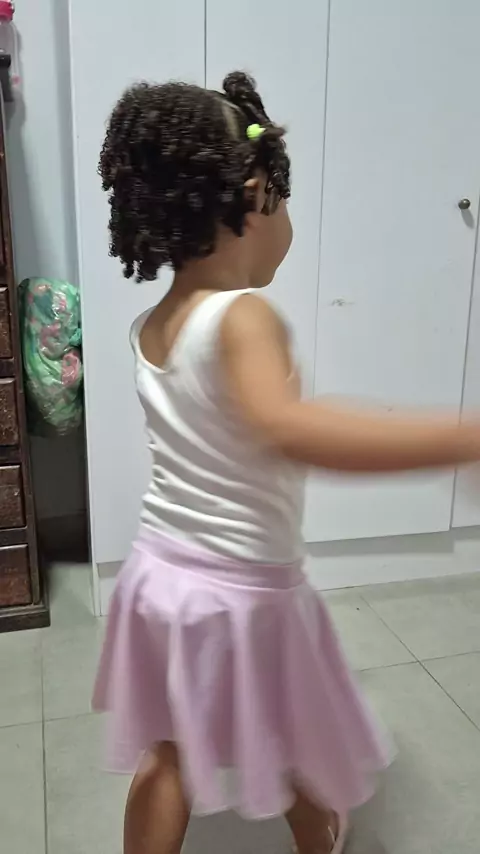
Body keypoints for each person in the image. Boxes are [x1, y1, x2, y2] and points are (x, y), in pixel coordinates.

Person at [93, 72, 480, 854]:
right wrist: (459, 438)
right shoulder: (243, 317)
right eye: (286, 200)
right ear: (255, 196)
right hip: (242, 590)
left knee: (167, 751)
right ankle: (320, 834)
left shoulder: (154, 323)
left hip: (160, 575)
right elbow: (289, 427)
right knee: (294, 727)